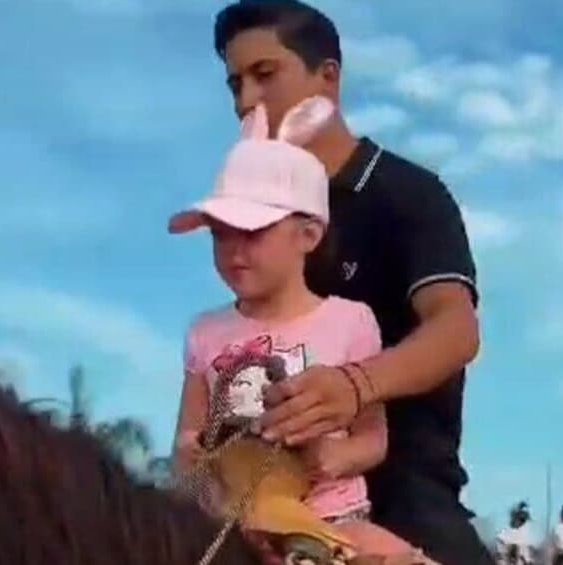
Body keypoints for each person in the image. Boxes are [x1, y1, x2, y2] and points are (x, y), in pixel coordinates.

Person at [211, 2, 489, 564]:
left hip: (406, 494)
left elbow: (456, 329)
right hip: (274, 500)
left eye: (266, 75)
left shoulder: (407, 194)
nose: (245, 102)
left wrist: (353, 385)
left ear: (328, 77)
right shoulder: (257, 219)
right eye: (235, 83)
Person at [169, 96, 428, 562]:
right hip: (235, 524)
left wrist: (330, 458)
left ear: (308, 235)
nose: (233, 250)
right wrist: (202, 465)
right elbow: (187, 436)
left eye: (252, 232)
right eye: (220, 234)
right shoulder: (205, 332)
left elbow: (373, 438)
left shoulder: (350, 321)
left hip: (333, 523)